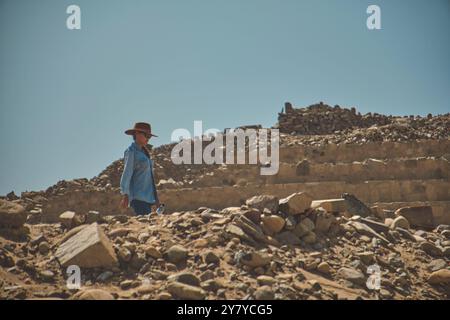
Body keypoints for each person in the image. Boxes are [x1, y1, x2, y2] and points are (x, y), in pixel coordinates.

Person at [119, 122, 160, 215]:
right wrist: (125, 194)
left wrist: (156, 199)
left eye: (149, 137)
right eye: (147, 136)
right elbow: (127, 172)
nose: (148, 139)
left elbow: (151, 179)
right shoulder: (131, 152)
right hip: (138, 198)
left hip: (148, 199)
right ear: (137, 134)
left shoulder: (145, 154)